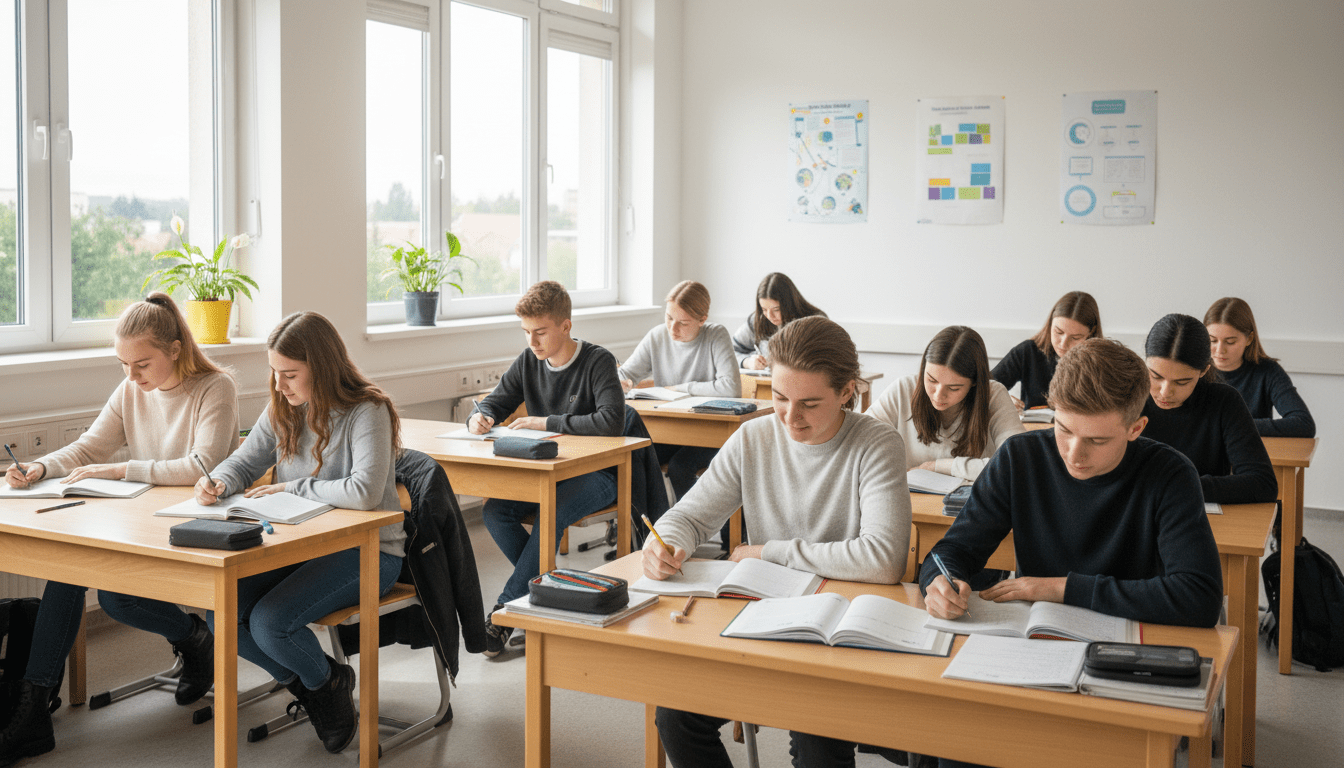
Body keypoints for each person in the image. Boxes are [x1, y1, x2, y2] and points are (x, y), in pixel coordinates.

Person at [921, 338, 1223, 768]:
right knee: (960, 743)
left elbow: (1198, 597)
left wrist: (1061, 588)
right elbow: (953, 550)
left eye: (1097, 440)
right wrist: (939, 580)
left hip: (1123, 660)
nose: (1074, 455)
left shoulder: (1171, 475)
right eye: (1063, 430)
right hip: (1034, 651)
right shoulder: (1020, 456)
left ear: (1136, 428)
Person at [644, 316, 912, 768]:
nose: (790, 417)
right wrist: (667, 542)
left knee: (815, 739)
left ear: (848, 391)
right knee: (675, 715)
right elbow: (688, 517)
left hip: (839, 637)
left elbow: (883, 559)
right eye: (780, 396)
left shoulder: (876, 443)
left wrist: (770, 551)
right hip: (767, 626)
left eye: (809, 403)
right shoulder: (753, 436)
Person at [0, 293, 239, 765]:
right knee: (72, 568)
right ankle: (34, 710)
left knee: (113, 598)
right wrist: (39, 467)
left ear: (175, 349)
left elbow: (202, 466)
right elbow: (88, 448)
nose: (131, 375)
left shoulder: (215, 387)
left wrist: (119, 470)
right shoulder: (131, 389)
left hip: (199, 521)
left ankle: (195, 639)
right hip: (139, 515)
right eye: (123, 364)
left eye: (142, 363)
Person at [194, 311, 405, 754]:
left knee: (271, 623)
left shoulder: (368, 410)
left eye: (290, 374)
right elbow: (244, 461)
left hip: (369, 553)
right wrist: (218, 480)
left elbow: (364, 492)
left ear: (323, 368)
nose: (280, 385)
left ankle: (321, 683)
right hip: (301, 547)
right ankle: (320, 684)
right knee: (221, 614)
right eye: (274, 373)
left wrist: (293, 486)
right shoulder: (282, 408)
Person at [470, 280, 624, 656]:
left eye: (540, 332)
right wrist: (482, 416)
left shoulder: (598, 360)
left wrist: (547, 422)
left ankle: (504, 613)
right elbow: (495, 401)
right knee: (494, 511)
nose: (532, 343)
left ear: (566, 326)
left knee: (547, 516)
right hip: (551, 473)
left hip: (600, 475)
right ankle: (550, 591)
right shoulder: (528, 362)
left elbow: (611, 422)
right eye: (526, 333)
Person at [618, 280, 740, 502]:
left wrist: (683, 388)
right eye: (669, 318)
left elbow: (730, 387)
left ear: (702, 320)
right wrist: (621, 382)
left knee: (679, 467)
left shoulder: (716, 335)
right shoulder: (657, 336)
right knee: (636, 459)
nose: (673, 329)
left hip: (710, 432)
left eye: (683, 323)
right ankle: (656, 529)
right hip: (671, 429)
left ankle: (699, 530)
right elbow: (625, 373)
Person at [1140, 313, 1277, 504]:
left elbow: (1263, 484)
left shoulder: (1224, 402)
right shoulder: (1127, 398)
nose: (1165, 392)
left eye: (1182, 382)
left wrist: (1176, 487)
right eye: (1155, 376)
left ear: (1204, 371)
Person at [867, 326, 1023, 482]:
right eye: (931, 380)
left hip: (971, 503)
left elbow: (1017, 463)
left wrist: (936, 467)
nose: (938, 395)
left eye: (954, 388)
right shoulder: (903, 389)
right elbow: (859, 442)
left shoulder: (993, 395)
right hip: (913, 500)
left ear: (974, 382)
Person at [1204, 297, 1316, 438]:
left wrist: (1234, 424)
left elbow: (1304, 424)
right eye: (1212, 340)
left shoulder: (1268, 371)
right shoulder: (1192, 369)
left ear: (1249, 339)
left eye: (1230, 342)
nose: (1219, 350)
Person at [991, 290, 1101, 410]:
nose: (1063, 344)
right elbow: (984, 388)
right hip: (1034, 427)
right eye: (1058, 332)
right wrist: (1001, 399)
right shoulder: (1028, 351)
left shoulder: (1102, 362)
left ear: (1091, 333)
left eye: (1075, 338)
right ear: (1050, 324)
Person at [731, 272, 826, 370]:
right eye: (764, 309)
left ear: (789, 304)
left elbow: (825, 363)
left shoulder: (815, 322)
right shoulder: (757, 320)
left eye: (776, 309)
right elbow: (729, 353)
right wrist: (747, 362)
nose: (769, 316)